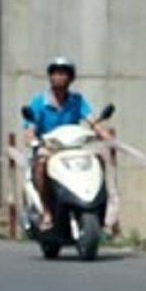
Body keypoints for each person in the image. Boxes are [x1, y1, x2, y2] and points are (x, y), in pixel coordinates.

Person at [23, 57, 109, 231]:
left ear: (71, 78)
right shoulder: (39, 102)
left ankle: (99, 210)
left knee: (98, 161)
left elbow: (92, 120)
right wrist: (32, 140)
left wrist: (104, 134)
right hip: (49, 149)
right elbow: (29, 128)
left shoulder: (77, 101)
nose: (59, 77)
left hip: (73, 149)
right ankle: (47, 211)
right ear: (50, 77)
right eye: (55, 73)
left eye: (63, 73)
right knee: (40, 166)